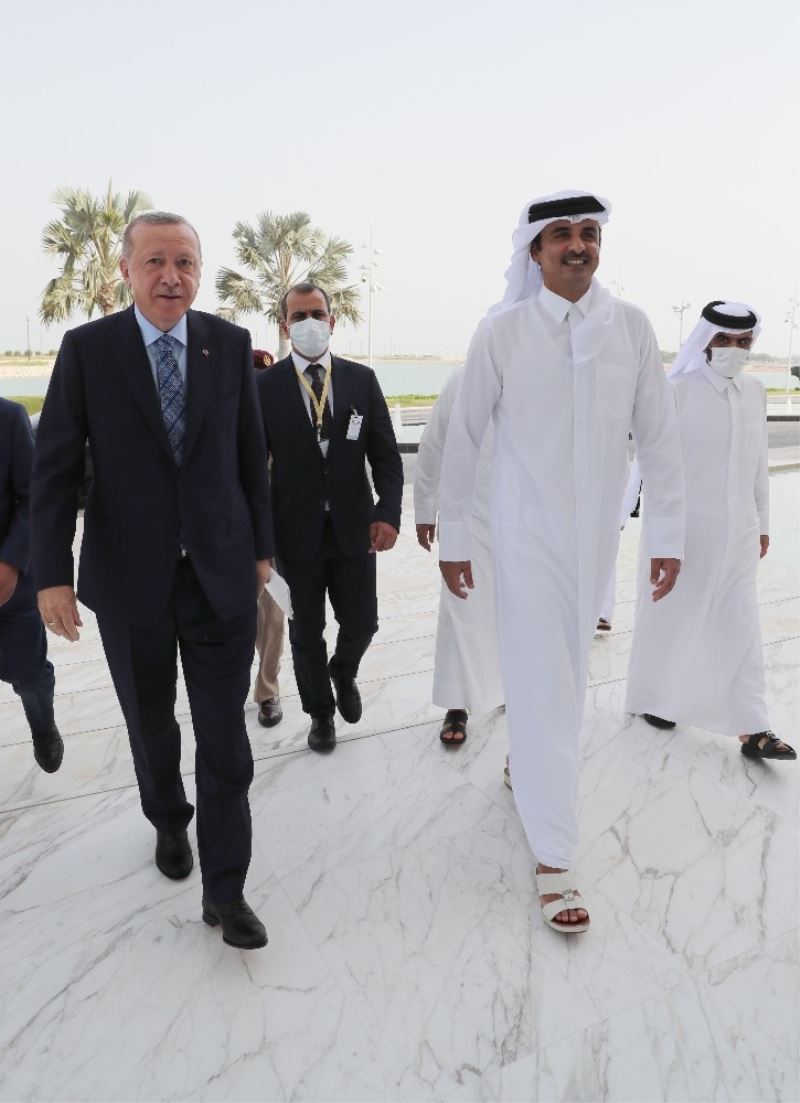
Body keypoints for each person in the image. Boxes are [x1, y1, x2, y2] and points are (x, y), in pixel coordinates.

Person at [437, 190, 685, 933]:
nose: (579, 245)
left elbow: (660, 439)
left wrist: (666, 536)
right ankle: (554, 852)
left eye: (588, 233)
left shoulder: (632, 328)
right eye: (562, 235)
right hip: (524, 538)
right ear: (535, 251)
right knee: (548, 675)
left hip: (595, 541)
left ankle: (527, 762)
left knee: (564, 674)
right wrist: (454, 539)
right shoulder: (503, 333)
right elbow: (463, 439)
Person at [30, 211, 273, 950]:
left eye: (186, 262)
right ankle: (169, 819)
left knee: (225, 737)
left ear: (200, 270)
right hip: (128, 579)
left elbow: (250, 454)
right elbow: (54, 469)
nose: (172, 276)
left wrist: (261, 551)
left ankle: (226, 888)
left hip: (219, 576)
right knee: (151, 721)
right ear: (127, 271)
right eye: (156, 261)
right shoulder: (88, 350)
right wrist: (52, 575)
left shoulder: (229, 344)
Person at [626, 300, 796, 760]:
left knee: (741, 623)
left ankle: (753, 726)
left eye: (743, 341)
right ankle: (656, 698)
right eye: (723, 339)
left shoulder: (755, 391)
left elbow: (758, 464)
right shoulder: (675, 392)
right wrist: (665, 538)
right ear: (704, 341)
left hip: (739, 532)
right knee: (672, 617)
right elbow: (656, 470)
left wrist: (762, 522)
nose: (733, 349)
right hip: (682, 533)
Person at [256, 283, 403, 753]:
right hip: (293, 534)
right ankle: (320, 715)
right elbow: (250, 469)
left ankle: (344, 669)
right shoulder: (264, 387)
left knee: (363, 623)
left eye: (317, 314)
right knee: (305, 632)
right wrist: (259, 541)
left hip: (354, 528)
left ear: (333, 321)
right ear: (285, 327)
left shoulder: (361, 380)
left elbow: (386, 456)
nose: (309, 323)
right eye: (298, 316)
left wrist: (388, 512)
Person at [414, 366, 503, 744]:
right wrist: (425, 509)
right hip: (469, 516)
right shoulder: (463, 379)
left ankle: (511, 686)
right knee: (460, 608)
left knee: (518, 613)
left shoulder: (540, 370)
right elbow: (433, 444)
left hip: (529, 521)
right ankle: (456, 704)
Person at [0, 398, 63, 773]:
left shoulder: (9, 418)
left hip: (11, 585)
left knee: (28, 675)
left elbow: (33, 496)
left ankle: (43, 727)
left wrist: (11, 561)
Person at [251, 349, 284, 728]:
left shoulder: (280, 424)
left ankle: (267, 690)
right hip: (231, 535)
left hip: (273, 535)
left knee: (273, 616)